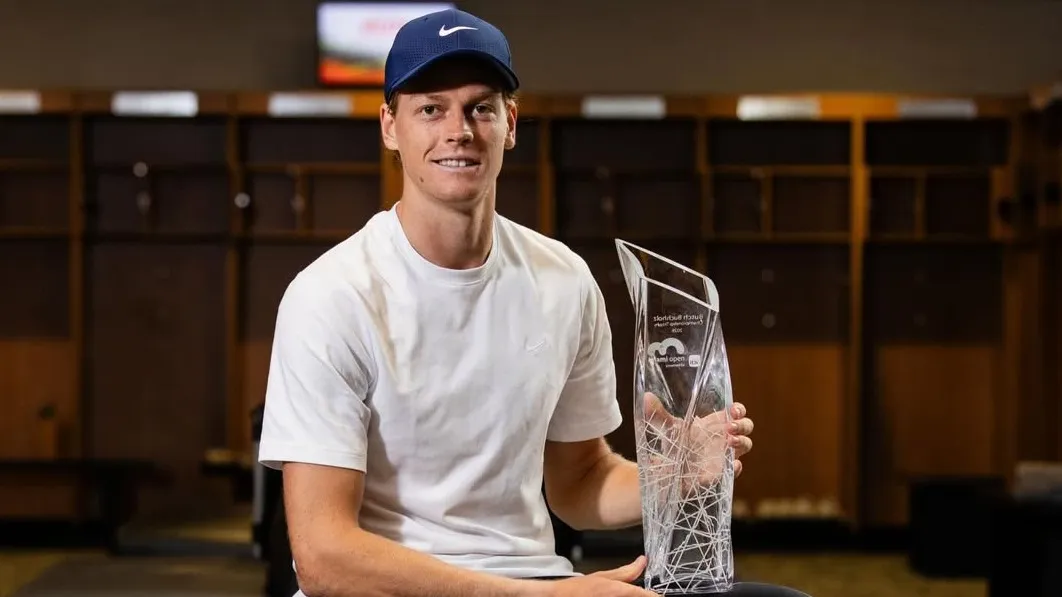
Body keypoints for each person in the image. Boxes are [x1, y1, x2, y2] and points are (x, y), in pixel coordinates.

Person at [257, 8, 766, 597]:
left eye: (481, 107)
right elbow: (324, 559)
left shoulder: (563, 280)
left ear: (510, 123)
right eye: (431, 109)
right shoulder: (330, 295)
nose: (459, 130)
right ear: (390, 127)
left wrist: (675, 473)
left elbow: (580, 483)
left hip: (534, 579)